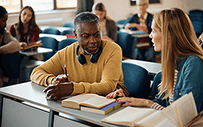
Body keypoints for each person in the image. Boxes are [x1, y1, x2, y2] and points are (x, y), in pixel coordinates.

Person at [106, 8, 203, 114]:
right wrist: (132, 101)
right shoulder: (171, 64)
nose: (150, 35)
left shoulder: (193, 64)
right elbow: (161, 103)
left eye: (153, 31)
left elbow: (186, 114)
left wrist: (147, 103)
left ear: (168, 35)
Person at [30, 12, 128, 100]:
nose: (93, 40)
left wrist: (73, 88)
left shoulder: (113, 49)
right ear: (76, 35)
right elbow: (36, 72)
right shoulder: (67, 52)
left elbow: (107, 86)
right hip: (81, 103)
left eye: (97, 35)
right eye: (86, 36)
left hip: (111, 101)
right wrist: (53, 81)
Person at [0, 6, 21, 87]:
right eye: (3, 20)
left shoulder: (3, 32)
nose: (5, 24)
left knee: (15, 55)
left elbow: (16, 45)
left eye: (6, 20)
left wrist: (0, 50)